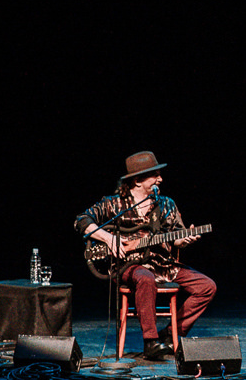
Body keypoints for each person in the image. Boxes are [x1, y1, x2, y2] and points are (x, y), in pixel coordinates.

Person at [75, 151, 217, 361]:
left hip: (163, 264)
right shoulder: (114, 204)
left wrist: (184, 239)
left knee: (207, 286)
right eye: (155, 175)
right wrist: (108, 238)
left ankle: (170, 334)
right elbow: (81, 221)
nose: (160, 179)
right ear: (138, 180)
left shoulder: (166, 204)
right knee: (145, 278)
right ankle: (150, 342)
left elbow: (176, 237)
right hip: (129, 266)